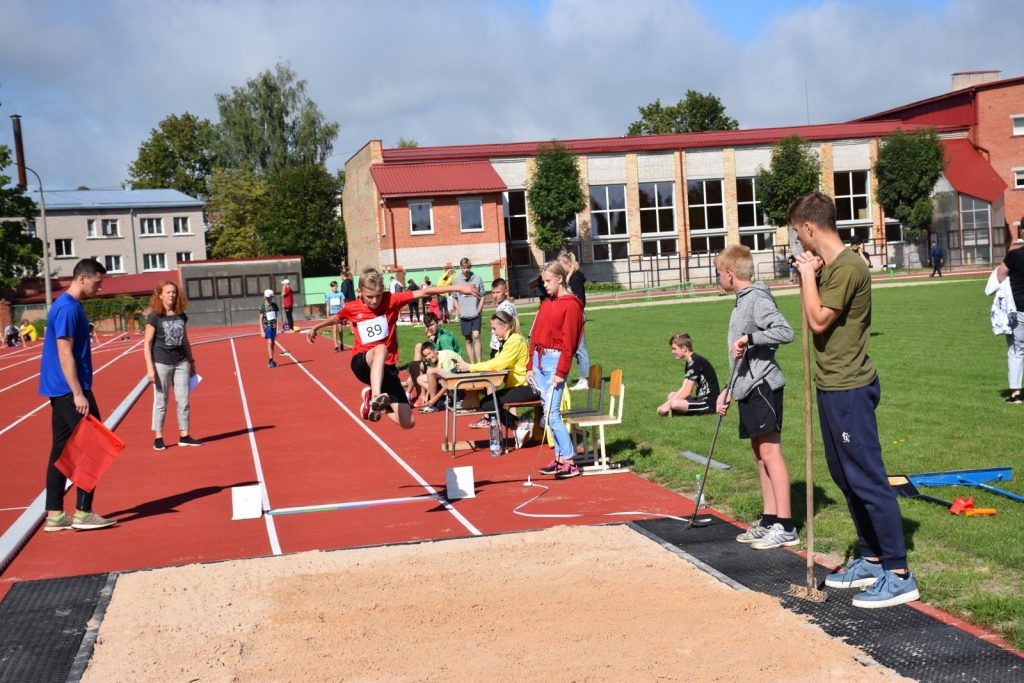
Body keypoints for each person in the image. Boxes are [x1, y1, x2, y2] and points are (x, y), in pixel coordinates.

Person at [791, 190, 919, 609]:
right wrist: (810, 275)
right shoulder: (832, 267)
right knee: (845, 479)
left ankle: (898, 573)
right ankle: (871, 557)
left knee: (867, 478)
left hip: (849, 387)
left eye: (798, 235)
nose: (799, 244)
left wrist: (808, 276)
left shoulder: (847, 268)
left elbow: (816, 321)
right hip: (831, 385)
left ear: (811, 228)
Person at [304, 266, 477, 428]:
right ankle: (375, 397)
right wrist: (316, 327)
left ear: (383, 290)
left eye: (378, 295)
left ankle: (375, 403)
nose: (374, 301)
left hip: (386, 369)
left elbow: (424, 291)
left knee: (408, 422)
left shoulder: (391, 300)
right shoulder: (352, 307)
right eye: (369, 296)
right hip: (362, 362)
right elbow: (336, 318)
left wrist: (460, 289)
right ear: (360, 292)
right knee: (381, 348)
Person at [715, 245, 797, 550]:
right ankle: (769, 517)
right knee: (758, 454)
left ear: (729, 274)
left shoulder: (757, 298)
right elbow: (739, 355)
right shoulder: (741, 301)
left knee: (771, 453)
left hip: (764, 386)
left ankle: (786, 525)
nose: (717, 279)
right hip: (746, 386)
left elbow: (784, 331)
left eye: (718, 274)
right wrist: (728, 389)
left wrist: (750, 338)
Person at [39, 258, 117, 531]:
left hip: (62, 390)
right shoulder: (68, 309)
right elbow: (64, 352)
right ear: (82, 278)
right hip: (69, 390)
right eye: (98, 282)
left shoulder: (70, 307)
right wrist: (78, 393)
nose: (100, 287)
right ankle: (83, 512)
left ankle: (55, 514)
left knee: (61, 449)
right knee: (94, 445)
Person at [526, 260, 585, 479]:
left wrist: (561, 372)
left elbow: (570, 342)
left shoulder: (570, 305)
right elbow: (536, 334)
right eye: (543, 281)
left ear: (560, 279)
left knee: (552, 414)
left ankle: (570, 461)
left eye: (548, 281)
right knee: (547, 411)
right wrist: (530, 365)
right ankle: (560, 458)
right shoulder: (546, 303)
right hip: (540, 360)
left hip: (555, 360)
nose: (545, 285)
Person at [144, 280, 201, 451]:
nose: (172, 295)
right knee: (161, 401)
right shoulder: (155, 316)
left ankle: (184, 435)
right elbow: (147, 343)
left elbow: (185, 340)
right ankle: (158, 437)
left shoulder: (181, 315)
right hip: (161, 362)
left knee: (183, 400)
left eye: (174, 292)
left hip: (181, 362)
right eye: (168, 292)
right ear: (160, 295)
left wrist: (191, 361)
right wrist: (150, 368)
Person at [457, 309, 533, 433]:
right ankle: (519, 425)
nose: (493, 332)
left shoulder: (514, 341)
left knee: (488, 404)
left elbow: (498, 364)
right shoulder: (507, 341)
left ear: (506, 326)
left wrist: (471, 367)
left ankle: (519, 424)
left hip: (525, 387)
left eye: (494, 328)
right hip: (517, 386)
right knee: (487, 403)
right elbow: (497, 362)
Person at [656, 333, 719, 417]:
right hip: (700, 399)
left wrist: (666, 406)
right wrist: (666, 404)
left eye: (674, 349)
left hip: (708, 403)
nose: (672, 352)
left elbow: (687, 390)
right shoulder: (691, 361)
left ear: (684, 348)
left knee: (674, 403)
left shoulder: (695, 362)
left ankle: (673, 410)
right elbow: (684, 388)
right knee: (671, 395)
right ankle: (674, 410)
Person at [406, 311, 463, 404]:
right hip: (439, 363)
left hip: (451, 368)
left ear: (438, 322)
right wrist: (431, 339)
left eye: (432, 324)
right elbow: (433, 351)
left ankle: (423, 396)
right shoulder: (436, 334)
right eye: (428, 326)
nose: (430, 328)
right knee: (418, 351)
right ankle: (414, 393)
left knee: (415, 366)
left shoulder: (444, 338)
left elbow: (448, 358)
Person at [558, 251, 592, 390]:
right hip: (572, 316)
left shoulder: (575, 278)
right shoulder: (569, 278)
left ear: (568, 264)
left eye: (561, 265)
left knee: (580, 348)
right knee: (572, 348)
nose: (560, 269)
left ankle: (585, 379)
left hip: (576, 316)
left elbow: (581, 300)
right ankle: (578, 378)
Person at [996, 238, 1024, 403]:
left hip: (1019, 310)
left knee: (1016, 351)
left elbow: (1000, 276)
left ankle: (1016, 394)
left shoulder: (1014, 256)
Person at [451, 257, 485, 364]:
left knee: (476, 335)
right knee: (468, 340)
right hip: (464, 315)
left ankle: (479, 363)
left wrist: (479, 308)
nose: (466, 270)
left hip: (475, 314)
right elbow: (454, 297)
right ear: (461, 267)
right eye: (464, 268)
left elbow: (483, 295)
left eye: (468, 268)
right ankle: (472, 363)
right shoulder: (456, 281)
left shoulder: (478, 278)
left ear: (470, 267)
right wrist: (459, 310)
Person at [415, 341, 465, 413]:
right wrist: (427, 395)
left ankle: (436, 403)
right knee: (420, 379)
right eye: (425, 356)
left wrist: (434, 399)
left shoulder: (445, 357)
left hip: (461, 382)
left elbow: (449, 382)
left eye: (429, 353)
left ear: (435, 350)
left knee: (431, 372)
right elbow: (431, 379)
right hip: (450, 379)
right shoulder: (433, 359)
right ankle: (442, 400)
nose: (428, 357)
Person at [487, 278, 517, 359]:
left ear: (506, 292)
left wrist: (503, 344)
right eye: (493, 293)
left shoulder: (506, 307)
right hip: (496, 345)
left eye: (498, 292)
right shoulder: (500, 305)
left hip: (501, 347)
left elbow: (507, 328)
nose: (495, 295)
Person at [259, 289, 281, 368]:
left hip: (274, 327)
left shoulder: (274, 305)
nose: (268, 299)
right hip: (266, 327)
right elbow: (260, 318)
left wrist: (278, 328)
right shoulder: (262, 306)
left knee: (273, 343)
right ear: (264, 297)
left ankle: (272, 359)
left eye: (270, 298)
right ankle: (270, 360)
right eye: (267, 298)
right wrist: (261, 330)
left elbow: (276, 317)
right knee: (270, 342)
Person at [325, 280, 346, 352]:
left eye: (336, 286)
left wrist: (344, 313)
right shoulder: (328, 295)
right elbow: (328, 305)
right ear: (331, 287)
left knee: (340, 329)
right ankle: (336, 346)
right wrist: (327, 315)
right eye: (333, 287)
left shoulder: (341, 294)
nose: (335, 288)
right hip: (332, 314)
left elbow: (343, 304)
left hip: (339, 313)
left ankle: (341, 343)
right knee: (334, 330)